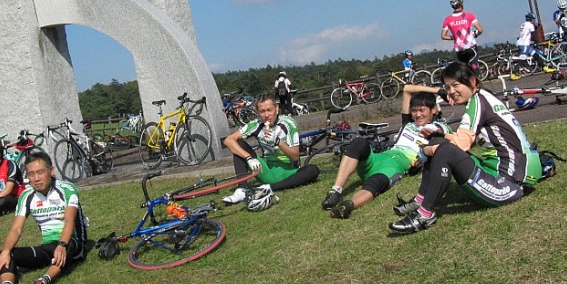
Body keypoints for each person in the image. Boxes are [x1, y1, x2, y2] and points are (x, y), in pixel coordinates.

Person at [389, 61, 542, 233]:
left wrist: (427, 150)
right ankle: (421, 198)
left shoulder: (477, 104)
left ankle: (425, 214)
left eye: (456, 85)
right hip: (510, 173)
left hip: (508, 185)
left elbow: (461, 145)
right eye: (447, 87)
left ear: (473, 81)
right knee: (438, 142)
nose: (451, 92)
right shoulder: (484, 97)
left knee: (444, 150)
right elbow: (470, 138)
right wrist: (440, 136)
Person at [321, 84, 451, 219]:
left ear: (434, 109)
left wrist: (422, 161)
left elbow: (443, 147)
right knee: (359, 142)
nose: (417, 114)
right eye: (414, 110)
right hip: (381, 157)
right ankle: (335, 191)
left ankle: (347, 206)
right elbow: (407, 89)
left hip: (396, 166)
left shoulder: (440, 128)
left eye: (422, 110)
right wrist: (439, 91)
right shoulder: (408, 123)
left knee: (377, 182)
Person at [0, 151, 87, 284]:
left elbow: (69, 221)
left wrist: (62, 244)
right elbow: (16, 228)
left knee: (67, 246)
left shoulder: (67, 189)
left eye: (40, 172)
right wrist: (6, 251)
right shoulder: (27, 196)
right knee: (7, 253)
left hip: (72, 243)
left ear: (51, 171)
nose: (36, 178)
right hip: (48, 248)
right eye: (31, 174)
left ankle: (43, 281)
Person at [221, 94, 319, 211]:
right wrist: (248, 158)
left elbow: (295, 156)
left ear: (276, 109)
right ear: (257, 112)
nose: (266, 115)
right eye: (262, 111)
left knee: (313, 170)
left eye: (269, 110)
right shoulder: (256, 124)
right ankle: (242, 189)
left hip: (289, 172)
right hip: (266, 170)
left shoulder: (288, 123)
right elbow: (228, 140)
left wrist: (278, 142)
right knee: (239, 143)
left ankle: (269, 187)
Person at [441, 0, 484, 71]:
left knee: (464, 71)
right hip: (471, 46)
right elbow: (480, 30)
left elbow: (443, 36)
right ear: (461, 3)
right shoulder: (469, 15)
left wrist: (454, 37)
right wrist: (475, 34)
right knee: (474, 68)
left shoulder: (448, 19)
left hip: (459, 49)